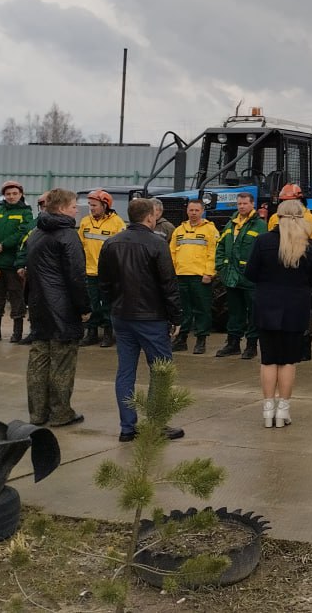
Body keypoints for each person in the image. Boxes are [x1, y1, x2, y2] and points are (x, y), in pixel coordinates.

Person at [97, 196, 185, 443]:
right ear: (150, 216)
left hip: (121, 315)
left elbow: (103, 282)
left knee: (125, 371)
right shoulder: (156, 244)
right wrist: (176, 316)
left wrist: (112, 307)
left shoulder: (111, 243)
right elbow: (169, 284)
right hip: (151, 317)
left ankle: (127, 427)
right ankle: (156, 424)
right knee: (160, 371)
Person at [244, 198, 312, 427]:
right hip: (296, 308)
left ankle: (268, 411)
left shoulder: (263, 241)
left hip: (267, 305)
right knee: (288, 361)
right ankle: (283, 411)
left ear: (278, 217)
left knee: (268, 360)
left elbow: (249, 273)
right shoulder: (310, 245)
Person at [23, 187, 90, 427]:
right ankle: (61, 413)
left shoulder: (36, 233)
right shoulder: (67, 235)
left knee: (39, 361)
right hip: (62, 310)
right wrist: (84, 307)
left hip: (40, 307)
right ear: (62, 209)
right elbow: (76, 276)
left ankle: (37, 414)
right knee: (62, 362)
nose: (77, 209)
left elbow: (31, 273)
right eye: (74, 206)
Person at [0, 181, 35, 344]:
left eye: (14, 193)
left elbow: (23, 233)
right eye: (8, 194)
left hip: (12, 263)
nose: (11, 196)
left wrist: (3, 245)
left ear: (21, 194)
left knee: (16, 297)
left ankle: (17, 332)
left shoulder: (26, 213)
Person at [215, 192, 267, 359]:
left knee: (253, 313)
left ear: (252, 204)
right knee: (234, 312)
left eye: (244, 203)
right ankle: (233, 343)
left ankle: (251, 346)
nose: (241, 206)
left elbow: (262, 252)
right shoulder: (231, 224)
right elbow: (221, 246)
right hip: (231, 276)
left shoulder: (259, 226)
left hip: (250, 278)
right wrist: (221, 266)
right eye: (239, 204)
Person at [169, 198, 219, 355]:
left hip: (200, 277)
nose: (194, 213)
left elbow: (214, 253)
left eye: (197, 210)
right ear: (187, 211)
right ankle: (181, 340)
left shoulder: (210, 230)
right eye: (191, 210)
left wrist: (209, 273)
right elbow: (172, 253)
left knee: (202, 309)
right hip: (181, 275)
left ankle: (201, 340)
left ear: (202, 211)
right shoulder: (179, 230)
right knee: (183, 310)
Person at [79, 189, 126, 347]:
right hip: (89, 271)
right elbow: (80, 245)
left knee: (107, 304)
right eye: (90, 205)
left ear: (105, 205)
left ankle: (108, 333)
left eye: (95, 205)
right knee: (92, 304)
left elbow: (121, 249)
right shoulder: (85, 222)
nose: (91, 208)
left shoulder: (117, 223)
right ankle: (91, 332)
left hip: (108, 273)